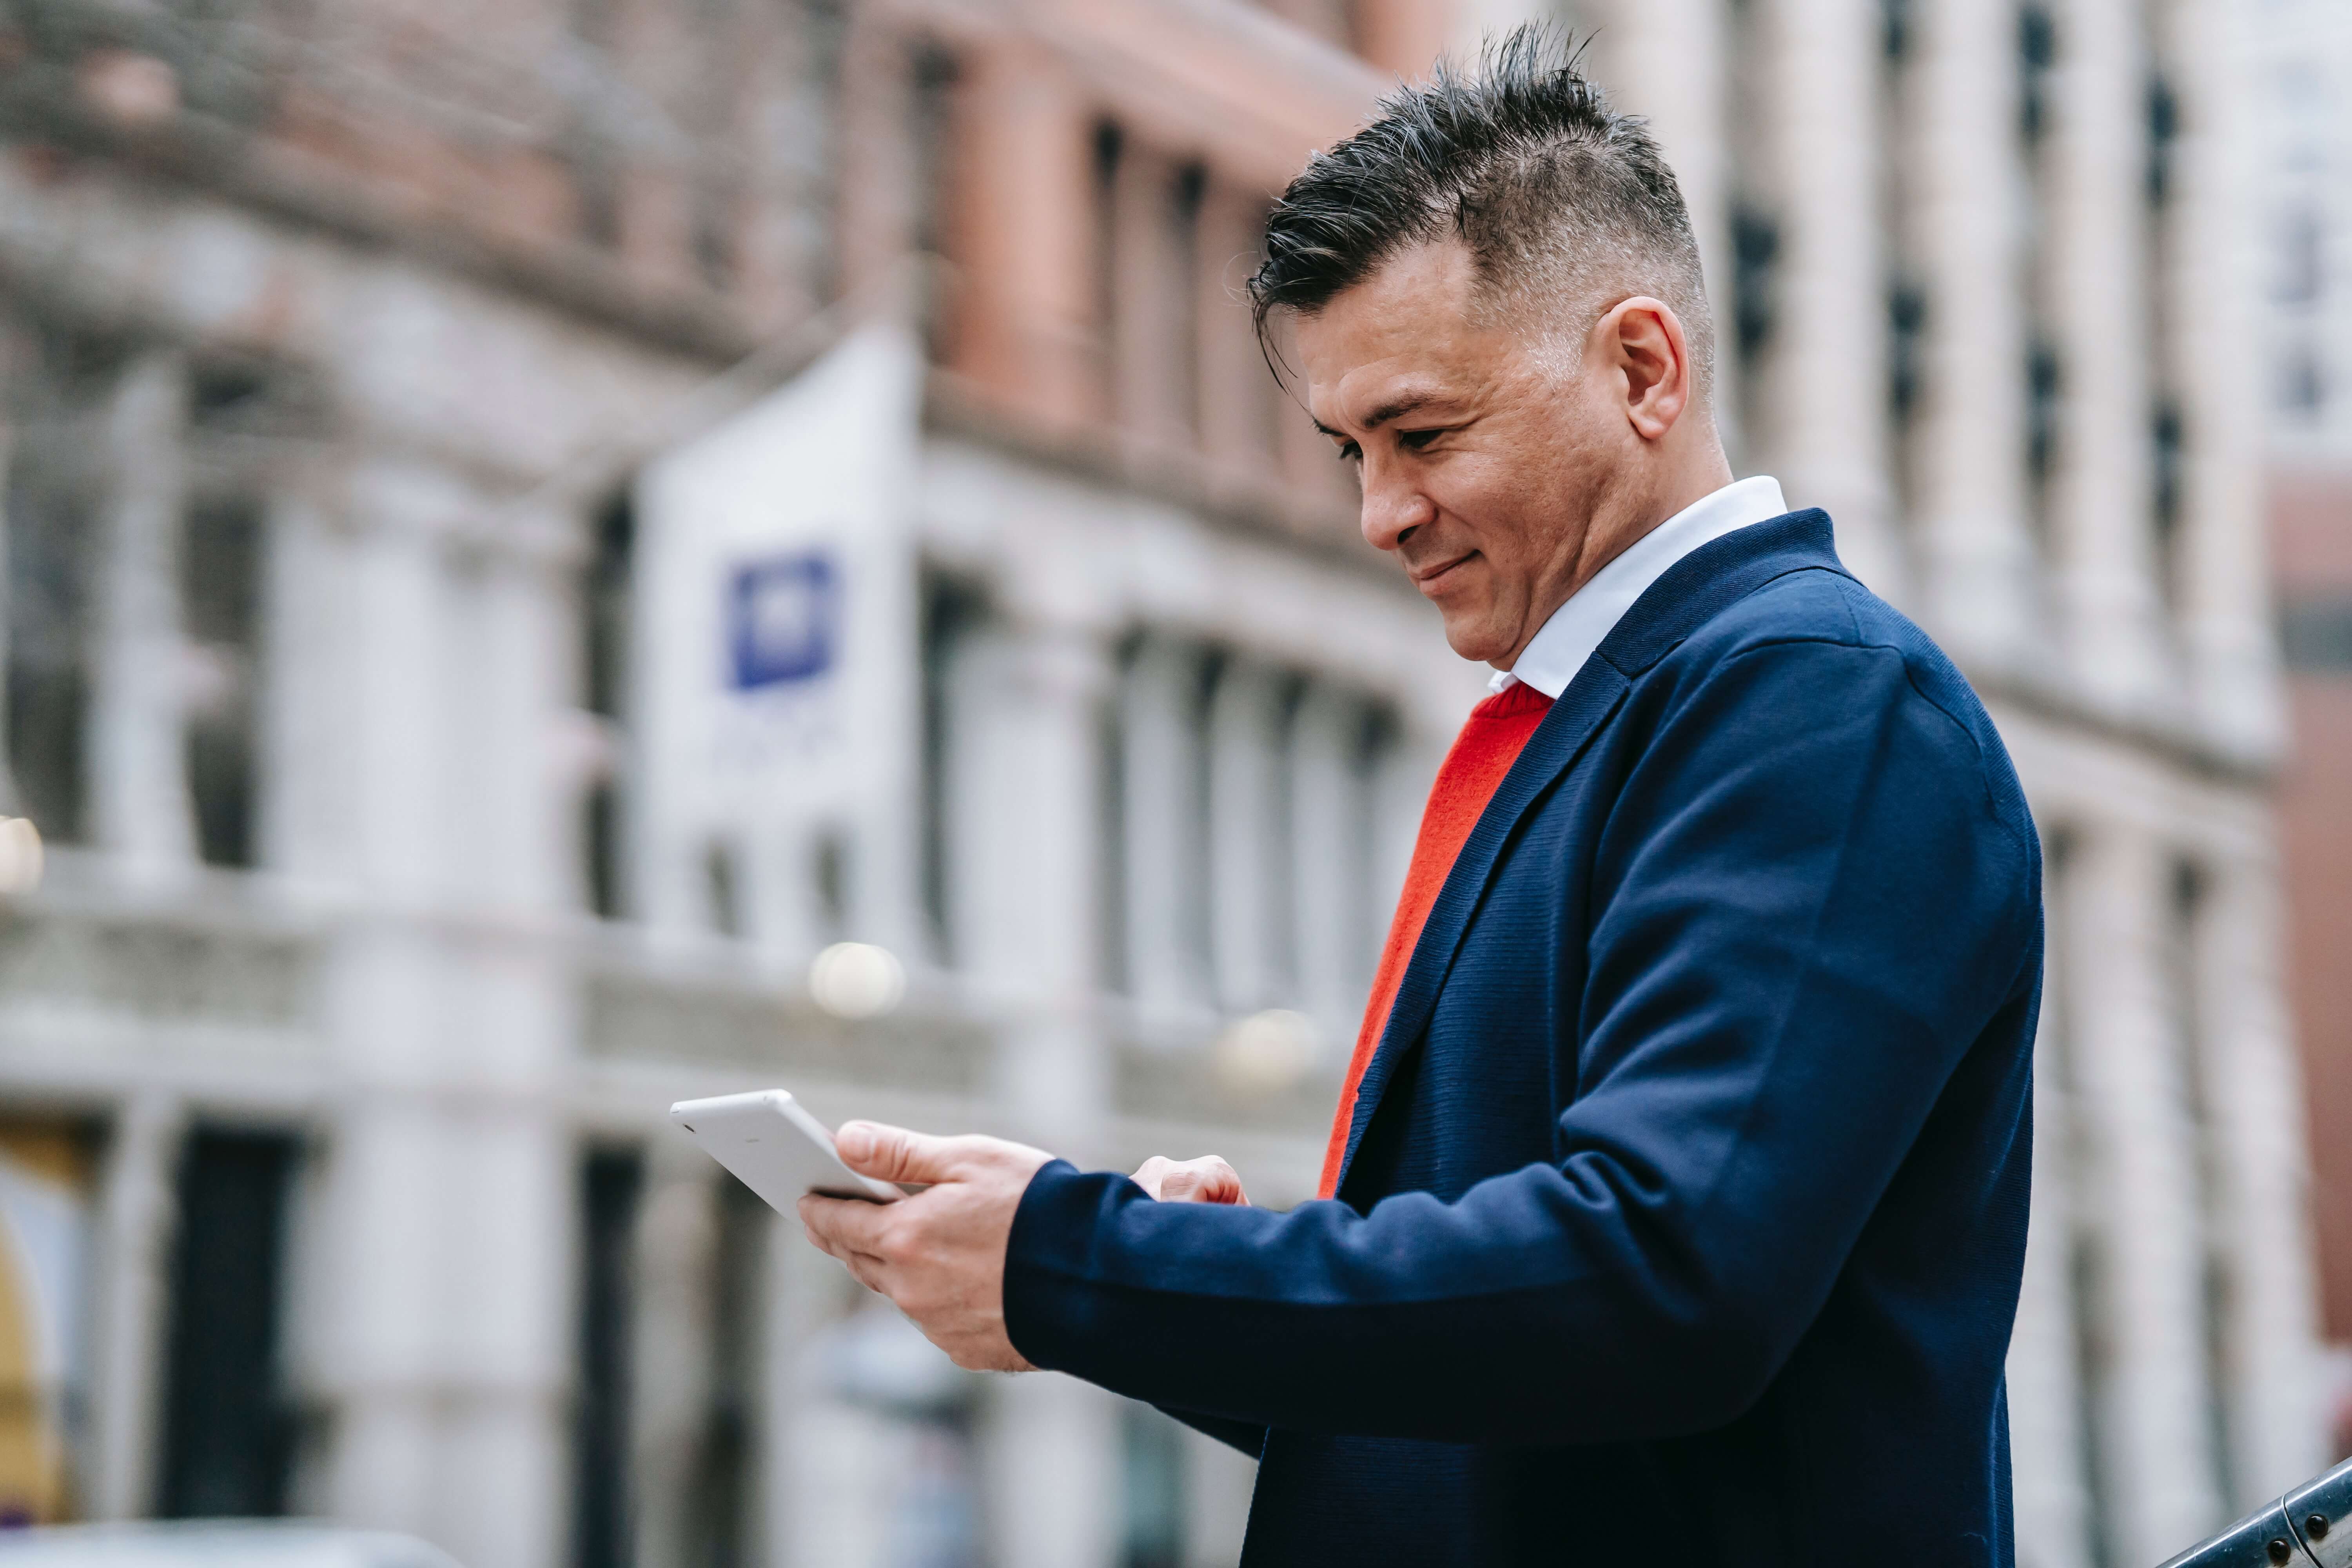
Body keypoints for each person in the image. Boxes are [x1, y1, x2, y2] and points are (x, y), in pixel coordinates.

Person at [800, 27, 2041, 1567]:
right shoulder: (1639, 711)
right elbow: (1541, 1378)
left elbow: (1657, 1283)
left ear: (1641, 367)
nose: (1382, 512)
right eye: (1349, 451)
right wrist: (1186, 1277)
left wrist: (1083, 1263)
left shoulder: (1820, 706)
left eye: (1424, 435)